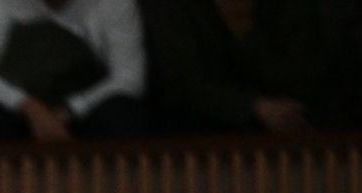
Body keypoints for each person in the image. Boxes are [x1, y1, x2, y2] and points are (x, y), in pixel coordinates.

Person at [144, 0, 362, 132]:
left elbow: (302, 80)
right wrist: (253, 107)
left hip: (297, 123)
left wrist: (245, 30)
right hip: (206, 127)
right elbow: (182, 83)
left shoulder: (291, 7)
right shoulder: (172, 6)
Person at [0, 0, 148, 139]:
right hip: (21, 107)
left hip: (88, 106)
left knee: (124, 117)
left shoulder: (114, 3)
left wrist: (71, 110)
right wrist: (31, 108)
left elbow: (129, 77)